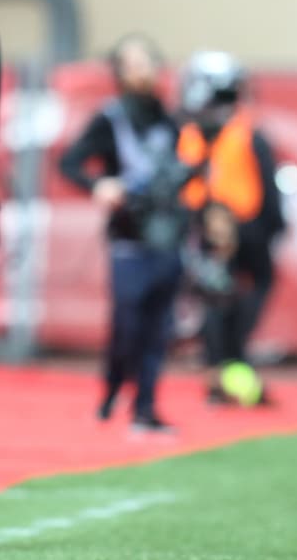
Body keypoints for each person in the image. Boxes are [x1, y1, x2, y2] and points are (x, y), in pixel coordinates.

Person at [58, 33, 185, 434]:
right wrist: (100, 185)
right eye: (134, 63)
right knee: (128, 325)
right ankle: (113, 387)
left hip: (168, 236)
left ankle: (145, 407)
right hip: (129, 239)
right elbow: (70, 163)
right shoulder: (111, 119)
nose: (144, 70)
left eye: (148, 61)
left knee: (159, 327)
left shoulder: (171, 120)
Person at [176, 51, 285, 403]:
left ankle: (227, 367)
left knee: (230, 298)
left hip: (239, 229)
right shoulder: (228, 132)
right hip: (217, 228)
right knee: (218, 299)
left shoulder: (231, 133)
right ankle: (225, 368)